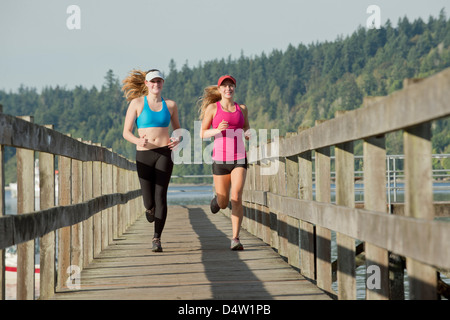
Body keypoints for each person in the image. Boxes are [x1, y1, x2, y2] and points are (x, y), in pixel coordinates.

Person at [122, 69, 181, 252]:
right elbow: (126, 132)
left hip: (164, 153)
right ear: (146, 84)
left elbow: (178, 130)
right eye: (153, 81)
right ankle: (149, 209)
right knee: (148, 200)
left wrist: (177, 139)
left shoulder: (170, 105)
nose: (156, 84)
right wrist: (138, 140)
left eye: (159, 81)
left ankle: (157, 238)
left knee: (161, 195)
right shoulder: (137, 103)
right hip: (144, 154)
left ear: (163, 83)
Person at [198, 75, 250, 250]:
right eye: (225, 86)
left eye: (231, 85)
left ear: (235, 88)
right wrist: (216, 130)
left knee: (236, 198)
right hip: (220, 159)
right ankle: (217, 201)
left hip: (239, 158)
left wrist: (248, 133)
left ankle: (235, 238)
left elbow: (246, 127)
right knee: (223, 202)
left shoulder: (242, 109)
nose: (228, 88)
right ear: (219, 89)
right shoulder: (213, 108)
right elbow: (202, 133)